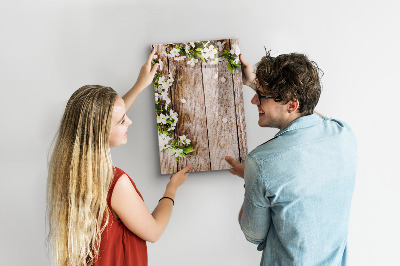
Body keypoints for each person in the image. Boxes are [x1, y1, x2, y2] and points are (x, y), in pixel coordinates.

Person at [46, 49, 191, 266]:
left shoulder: (69, 170)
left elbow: (104, 119)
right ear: (100, 131)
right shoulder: (115, 183)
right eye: (122, 121)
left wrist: (140, 85)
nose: (129, 122)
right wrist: (172, 189)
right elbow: (153, 231)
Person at [226, 52, 357, 265]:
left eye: (261, 96)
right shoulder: (344, 134)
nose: (253, 100)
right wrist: (253, 83)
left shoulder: (260, 163)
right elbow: (311, 114)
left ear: (292, 105)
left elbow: (253, 234)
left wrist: (252, 177)